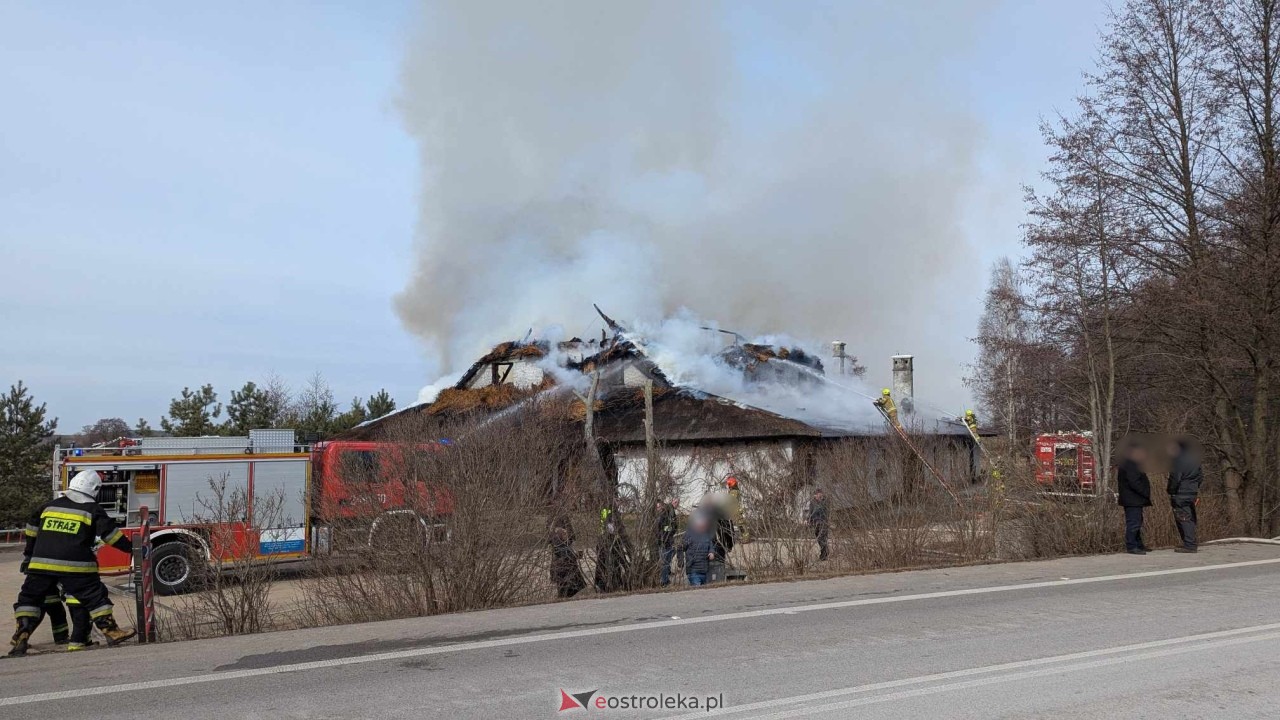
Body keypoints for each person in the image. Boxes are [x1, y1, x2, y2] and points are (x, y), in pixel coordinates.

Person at [9, 471, 135, 656]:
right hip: (75, 566)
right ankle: (112, 632)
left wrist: (29, 555)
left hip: (40, 565)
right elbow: (111, 536)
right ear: (95, 490)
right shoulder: (92, 509)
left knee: (29, 599)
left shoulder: (48, 506)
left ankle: (21, 636)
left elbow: (31, 530)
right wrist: (133, 549)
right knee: (94, 597)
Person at [1167, 438, 1203, 553]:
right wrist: (1195, 488)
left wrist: (1171, 490)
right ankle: (1189, 541)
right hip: (1192, 492)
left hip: (1181, 493)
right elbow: (1201, 477)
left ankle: (1189, 544)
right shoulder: (1195, 460)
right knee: (1190, 517)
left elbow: (1175, 478)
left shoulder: (1178, 461)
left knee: (1183, 518)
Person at [1116, 443, 1152, 555]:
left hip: (1133, 498)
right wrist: (1144, 492)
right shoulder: (1131, 464)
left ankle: (1138, 544)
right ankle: (1132, 545)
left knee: (1137, 521)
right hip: (1133, 498)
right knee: (1134, 522)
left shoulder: (1129, 463)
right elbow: (1134, 481)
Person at [593, 509, 632, 593]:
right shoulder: (608, 511)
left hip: (605, 543)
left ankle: (605, 586)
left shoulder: (606, 511)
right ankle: (608, 586)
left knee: (604, 568)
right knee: (609, 568)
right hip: (608, 546)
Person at [680, 513, 717, 587]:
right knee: (697, 591)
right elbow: (680, 548)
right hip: (693, 570)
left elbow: (711, 546)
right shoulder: (688, 535)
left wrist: (712, 552)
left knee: (704, 594)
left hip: (705, 569)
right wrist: (680, 561)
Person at [549, 526, 586, 599]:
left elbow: (570, 556)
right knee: (566, 591)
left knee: (568, 591)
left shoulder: (564, 545)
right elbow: (566, 558)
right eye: (564, 534)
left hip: (568, 572)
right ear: (560, 535)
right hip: (565, 574)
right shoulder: (559, 546)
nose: (566, 536)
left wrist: (577, 555)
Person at [654, 499, 677, 587]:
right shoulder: (660, 516)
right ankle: (664, 581)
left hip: (669, 541)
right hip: (662, 542)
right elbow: (657, 530)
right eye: (657, 507)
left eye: (659, 506)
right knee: (664, 562)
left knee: (668, 559)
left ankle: (666, 578)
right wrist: (663, 536)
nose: (658, 508)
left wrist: (669, 533)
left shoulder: (669, 514)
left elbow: (673, 526)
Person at [806, 489, 830, 561]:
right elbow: (810, 512)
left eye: (821, 494)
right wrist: (808, 520)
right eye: (818, 494)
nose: (820, 496)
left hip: (823, 523)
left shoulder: (825, 502)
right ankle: (825, 552)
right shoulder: (812, 502)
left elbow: (826, 512)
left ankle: (823, 555)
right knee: (818, 538)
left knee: (822, 538)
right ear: (815, 495)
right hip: (815, 523)